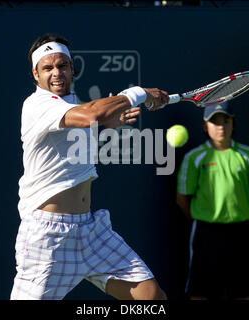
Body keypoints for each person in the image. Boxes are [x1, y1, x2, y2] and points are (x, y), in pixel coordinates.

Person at [10, 33, 169, 300]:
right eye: (47, 68)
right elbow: (92, 114)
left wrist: (106, 124)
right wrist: (137, 94)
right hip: (47, 238)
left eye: (62, 65)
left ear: (73, 68)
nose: (56, 73)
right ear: (35, 75)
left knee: (151, 297)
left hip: (90, 231)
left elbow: (76, 140)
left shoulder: (71, 105)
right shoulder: (36, 105)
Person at [176, 102, 249, 300]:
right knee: (199, 292)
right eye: (215, 121)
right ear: (206, 126)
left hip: (240, 232)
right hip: (206, 232)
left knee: (242, 291)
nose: (221, 126)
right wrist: (203, 216)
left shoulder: (248, 155)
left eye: (226, 120)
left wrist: (233, 212)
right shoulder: (194, 157)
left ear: (233, 123)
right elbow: (181, 199)